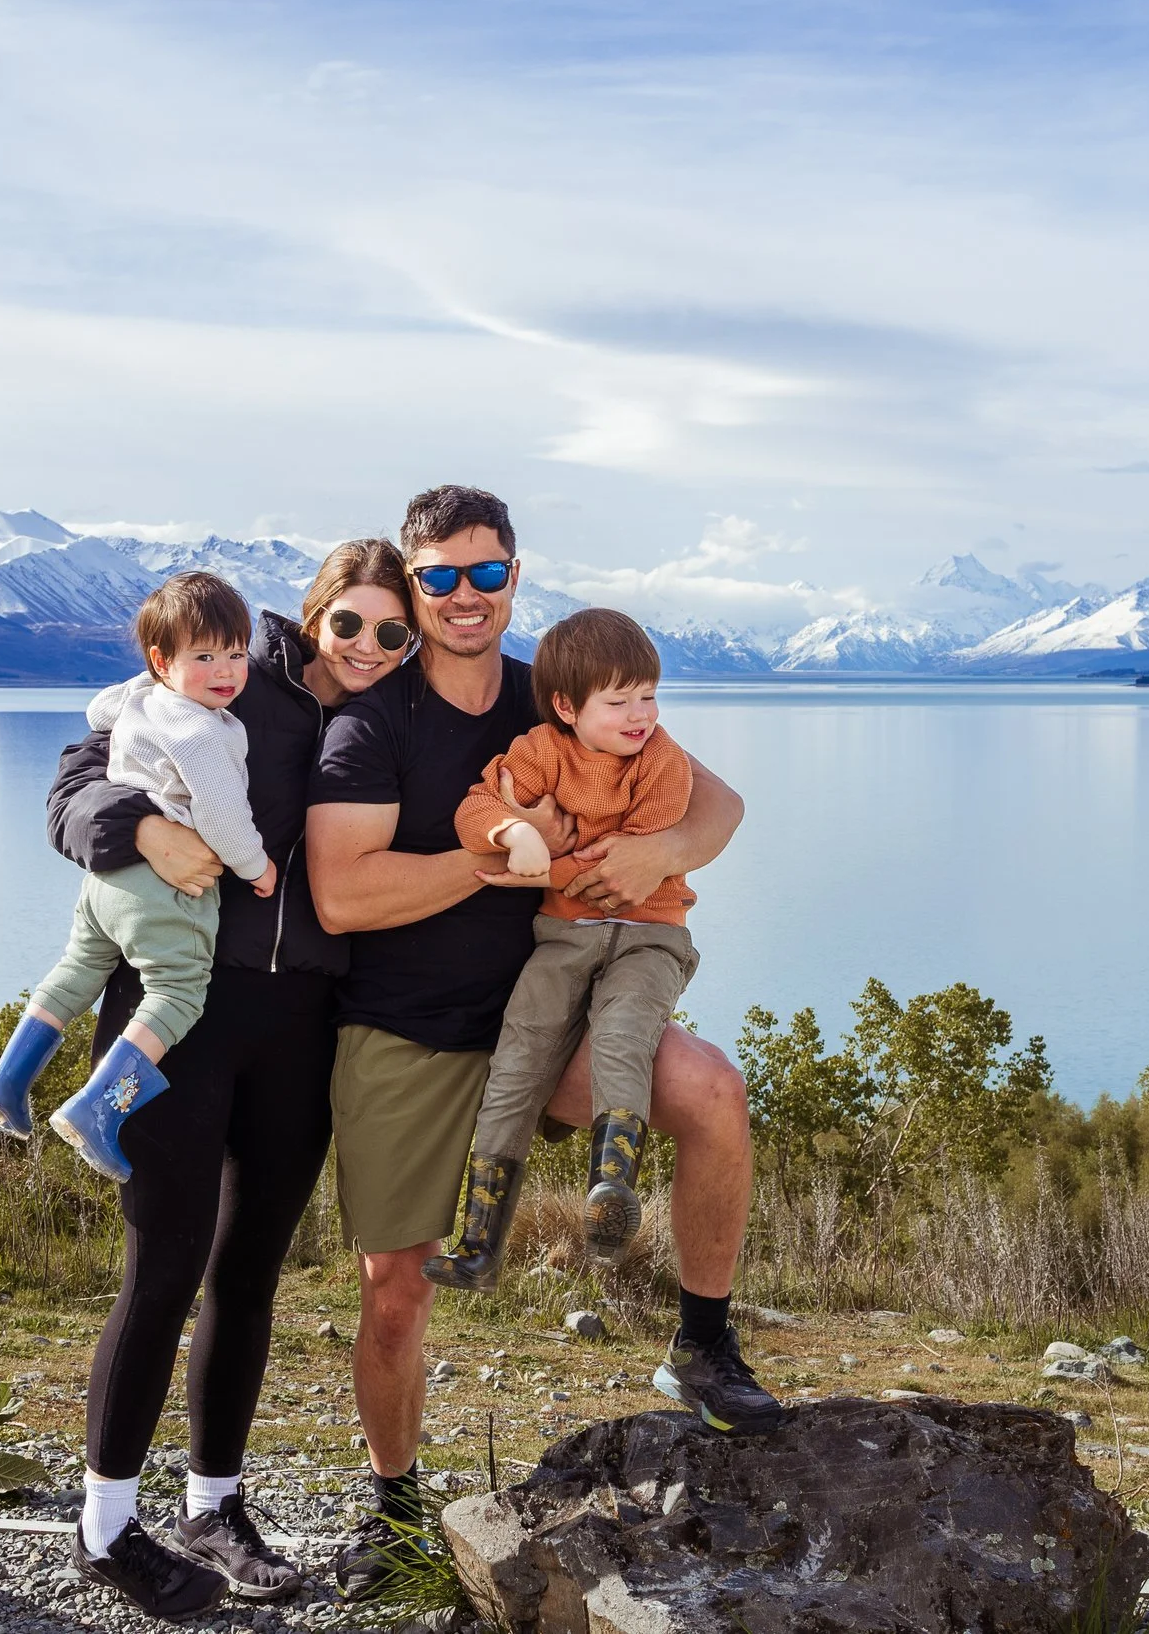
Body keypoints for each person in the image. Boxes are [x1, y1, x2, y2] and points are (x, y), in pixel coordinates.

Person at [305, 485, 785, 1600]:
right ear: (412, 581)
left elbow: (721, 810)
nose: (463, 595)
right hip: (409, 1027)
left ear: (514, 576)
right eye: (438, 576)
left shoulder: (562, 687)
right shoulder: (375, 720)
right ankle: (392, 1503)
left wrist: (652, 853)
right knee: (395, 1287)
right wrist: (498, 861)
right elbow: (341, 893)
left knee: (711, 1087)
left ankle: (701, 1347)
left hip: (558, 1005)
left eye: (486, 573)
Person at [37, 541, 418, 1617]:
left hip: (304, 1022)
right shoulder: (225, 677)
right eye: (350, 624)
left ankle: (215, 1505)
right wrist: (140, 825)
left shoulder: (400, 716)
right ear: (312, 618)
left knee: (247, 1272)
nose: (371, 647)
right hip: (187, 1013)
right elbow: (74, 788)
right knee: (161, 1265)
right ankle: (105, 1528)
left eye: (394, 630)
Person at [426, 606, 703, 1289]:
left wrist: (540, 865)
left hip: (649, 936)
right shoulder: (541, 751)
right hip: (561, 938)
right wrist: (511, 835)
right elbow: (474, 809)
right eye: (620, 701)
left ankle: (612, 1187)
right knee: (518, 1056)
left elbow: (617, 874)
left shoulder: (663, 762)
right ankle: (480, 1239)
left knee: (623, 1034)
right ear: (565, 707)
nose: (641, 714)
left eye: (649, 695)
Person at [0, 571, 274, 1182]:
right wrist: (257, 867)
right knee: (177, 993)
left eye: (237, 655)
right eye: (205, 656)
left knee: (79, 968)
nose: (226, 672)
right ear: (164, 661)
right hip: (167, 886)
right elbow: (220, 814)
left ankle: (7, 1083)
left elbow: (98, 708)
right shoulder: (201, 731)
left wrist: (148, 688)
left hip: (105, 883)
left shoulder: (142, 696)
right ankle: (98, 1110)